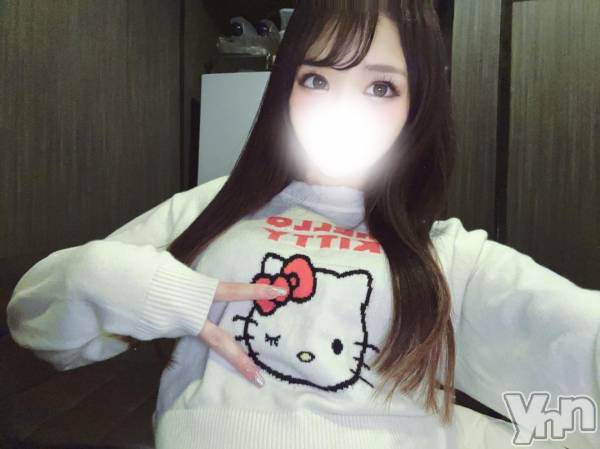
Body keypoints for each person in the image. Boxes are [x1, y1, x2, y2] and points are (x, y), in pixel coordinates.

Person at [7, 1, 599, 449]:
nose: (343, 108)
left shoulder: (445, 255)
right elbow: (38, 323)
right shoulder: (211, 210)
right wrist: (163, 293)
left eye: (381, 87)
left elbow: (579, 346)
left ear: (415, 108)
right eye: (316, 79)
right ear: (285, 90)